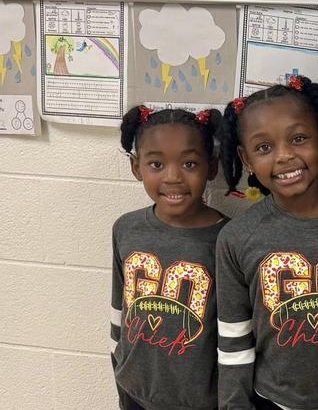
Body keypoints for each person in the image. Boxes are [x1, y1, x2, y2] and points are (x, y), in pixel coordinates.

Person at [215, 77, 318, 409]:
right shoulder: (237, 238)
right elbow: (234, 340)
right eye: (264, 147)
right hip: (272, 401)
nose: (284, 156)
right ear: (247, 159)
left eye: (298, 139)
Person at [110, 106, 228, 410]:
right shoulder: (126, 228)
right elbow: (119, 308)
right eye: (157, 164)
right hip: (134, 391)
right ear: (137, 168)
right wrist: (119, 363)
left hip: (201, 401)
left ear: (212, 167)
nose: (173, 177)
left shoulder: (228, 239)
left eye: (189, 163)